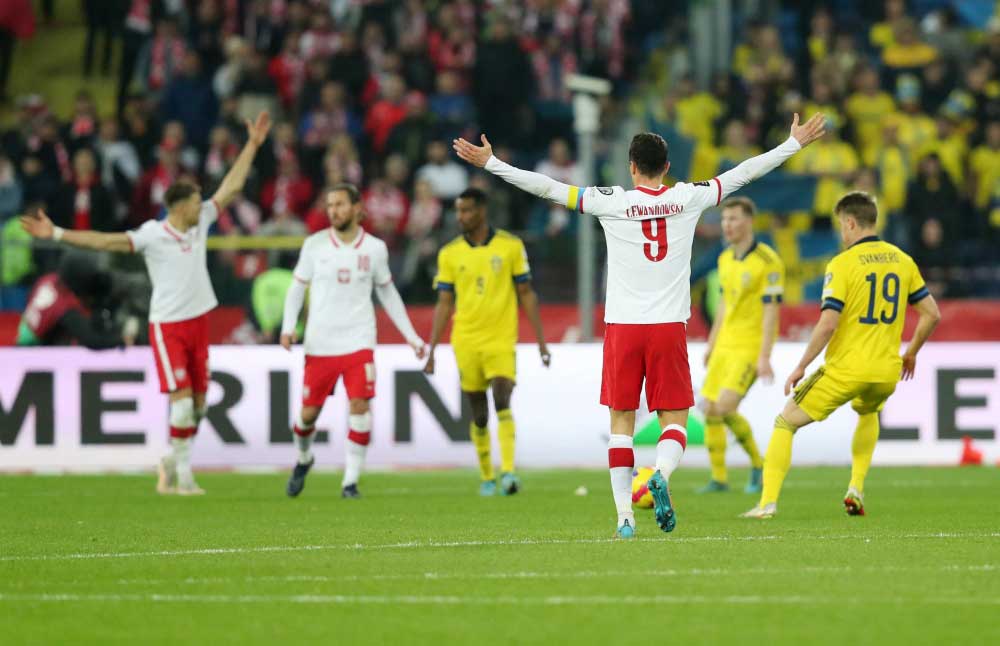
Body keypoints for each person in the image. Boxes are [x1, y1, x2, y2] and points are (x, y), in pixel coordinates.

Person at [452, 113, 826, 537]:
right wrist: (792, 144)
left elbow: (549, 188)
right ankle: (660, 476)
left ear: (631, 167)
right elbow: (741, 174)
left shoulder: (611, 200)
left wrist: (493, 165)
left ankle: (624, 519)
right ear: (667, 167)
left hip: (623, 328)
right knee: (675, 421)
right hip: (668, 326)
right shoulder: (688, 196)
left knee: (621, 424)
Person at [21, 112, 273, 496]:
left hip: (198, 323)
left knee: (201, 405)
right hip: (168, 326)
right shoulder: (153, 234)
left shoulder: (201, 219)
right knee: (184, 403)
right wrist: (56, 232)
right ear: (178, 207)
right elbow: (105, 242)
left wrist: (252, 145)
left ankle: (171, 458)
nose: (201, 207)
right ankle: (184, 478)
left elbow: (232, 187)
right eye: (193, 203)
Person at [742, 192, 941, 519]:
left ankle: (766, 503)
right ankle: (856, 488)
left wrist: (801, 366)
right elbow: (932, 314)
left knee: (785, 421)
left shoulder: (843, 264)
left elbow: (828, 323)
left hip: (847, 369)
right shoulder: (902, 260)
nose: (840, 233)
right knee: (868, 412)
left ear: (850, 223)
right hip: (886, 372)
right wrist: (911, 353)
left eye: (841, 226)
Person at [280, 183, 426, 499]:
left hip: (359, 340)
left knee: (360, 406)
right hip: (320, 344)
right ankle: (304, 458)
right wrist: (288, 327)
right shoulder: (314, 245)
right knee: (308, 415)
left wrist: (412, 337)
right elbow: (296, 288)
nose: (333, 211)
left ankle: (350, 481)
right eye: (330, 205)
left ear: (358, 209)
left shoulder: (374, 248)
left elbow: (387, 292)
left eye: (340, 204)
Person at [423, 187, 550, 497]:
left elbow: (526, 293)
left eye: (466, 210)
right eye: (458, 211)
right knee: (478, 413)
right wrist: (432, 350)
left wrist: (541, 342)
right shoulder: (450, 253)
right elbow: (443, 302)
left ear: (482, 211)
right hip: (465, 338)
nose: (461, 217)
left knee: (502, 397)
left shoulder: (510, 246)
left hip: (500, 338)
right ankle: (486, 476)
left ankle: (508, 472)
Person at [699, 197, 784, 494]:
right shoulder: (724, 259)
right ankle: (719, 479)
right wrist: (711, 344)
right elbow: (723, 304)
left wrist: (764, 356)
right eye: (724, 220)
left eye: (734, 219)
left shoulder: (768, 261)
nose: (727, 225)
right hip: (724, 344)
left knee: (724, 406)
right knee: (708, 408)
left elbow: (772, 311)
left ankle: (759, 464)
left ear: (749, 222)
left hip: (749, 346)